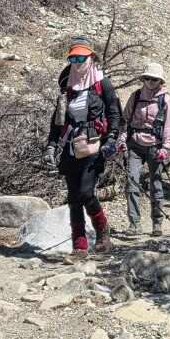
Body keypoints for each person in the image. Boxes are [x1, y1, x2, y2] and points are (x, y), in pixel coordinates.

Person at [45, 37, 120, 257]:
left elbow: (114, 112)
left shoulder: (102, 83)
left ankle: (102, 231)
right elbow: (58, 119)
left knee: (86, 193)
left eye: (81, 58)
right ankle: (79, 246)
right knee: (73, 197)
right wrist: (51, 145)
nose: (77, 63)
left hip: (94, 145)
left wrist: (112, 138)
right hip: (71, 146)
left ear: (91, 58)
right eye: (73, 58)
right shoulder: (66, 84)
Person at [117, 61, 170, 237]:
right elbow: (125, 120)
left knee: (155, 184)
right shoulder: (135, 96)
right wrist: (121, 139)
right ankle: (134, 224)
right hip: (134, 144)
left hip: (155, 147)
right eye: (147, 78)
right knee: (132, 182)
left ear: (160, 81)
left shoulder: (165, 99)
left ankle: (157, 223)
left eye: (154, 79)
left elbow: (168, 126)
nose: (150, 82)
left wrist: (166, 147)